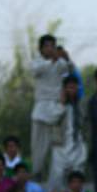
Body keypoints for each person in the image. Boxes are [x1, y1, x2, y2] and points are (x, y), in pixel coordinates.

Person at [30, 35, 76, 178]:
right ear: (41, 48)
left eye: (52, 46)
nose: (50, 49)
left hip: (58, 106)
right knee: (38, 145)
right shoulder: (36, 63)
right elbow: (37, 71)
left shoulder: (60, 62)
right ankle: (37, 172)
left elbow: (71, 71)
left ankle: (62, 176)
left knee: (60, 144)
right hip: (42, 108)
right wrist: (53, 60)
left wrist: (67, 58)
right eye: (47, 46)